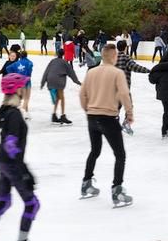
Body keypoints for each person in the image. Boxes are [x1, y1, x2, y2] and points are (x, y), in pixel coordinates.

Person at [0, 73, 43, 241]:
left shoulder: (5, 110)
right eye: (23, 87)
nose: (25, 90)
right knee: (32, 204)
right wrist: (23, 172)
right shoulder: (14, 114)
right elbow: (11, 145)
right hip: (11, 163)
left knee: (4, 200)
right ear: (17, 89)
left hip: (2, 161)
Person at [79, 44, 133, 207]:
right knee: (120, 154)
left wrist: (88, 110)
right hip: (108, 118)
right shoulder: (117, 73)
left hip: (92, 117)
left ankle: (86, 183)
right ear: (113, 56)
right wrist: (129, 113)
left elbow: (82, 94)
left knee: (95, 151)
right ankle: (117, 190)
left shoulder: (91, 72)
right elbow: (124, 93)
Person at [115, 40, 150, 132]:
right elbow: (135, 67)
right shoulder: (126, 58)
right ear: (126, 47)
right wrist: (148, 70)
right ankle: (126, 124)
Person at [41, 53, 81, 124]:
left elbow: (46, 71)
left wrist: (43, 83)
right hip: (59, 81)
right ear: (63, 55)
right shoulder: (65, 62)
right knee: (62, 98)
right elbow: (71, 73)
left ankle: (54, 115)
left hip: (50, 80)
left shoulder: (52, 61)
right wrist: (77, 82)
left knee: (58, 98)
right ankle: (63, 116)